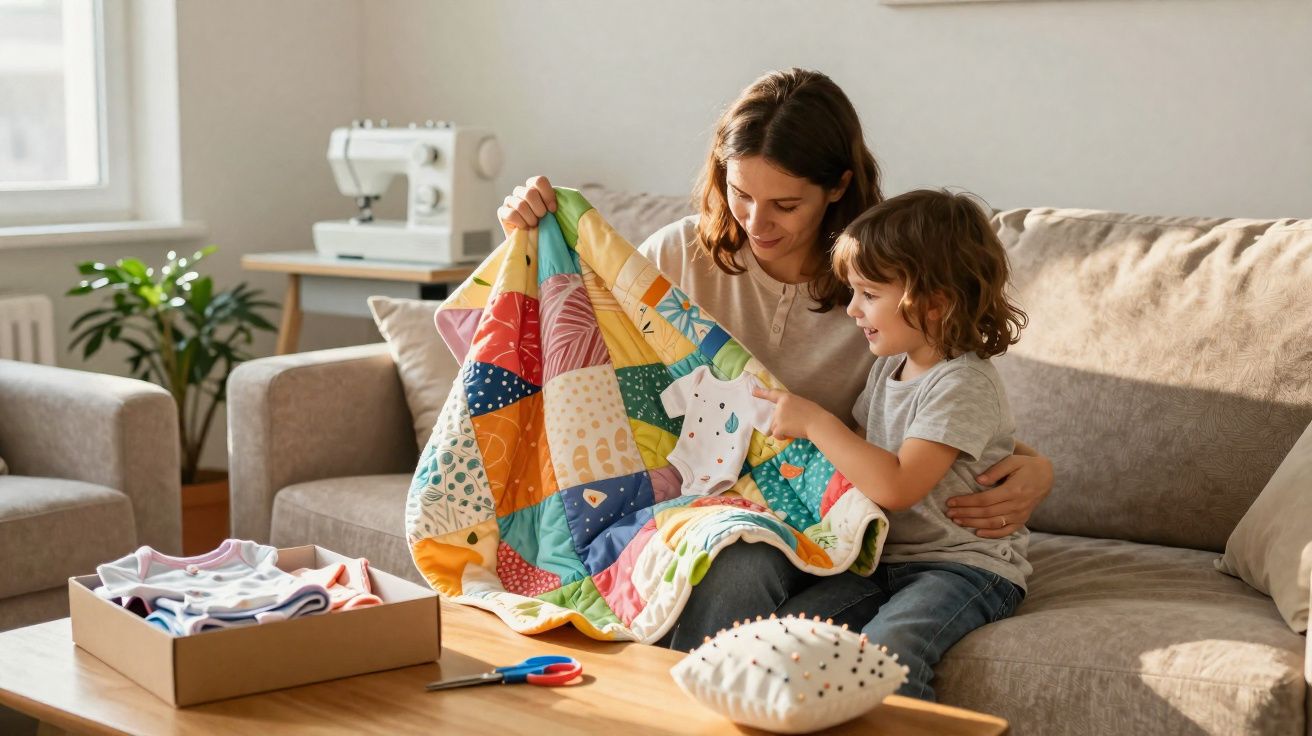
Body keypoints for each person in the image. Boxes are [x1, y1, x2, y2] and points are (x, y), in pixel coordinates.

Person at [496, 68, 1053, 653]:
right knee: (708, 556)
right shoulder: (675, 260)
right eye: (740, 194)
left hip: (807, 509)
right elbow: (570, 337)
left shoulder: (885, 288)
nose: (756, 223)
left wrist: (1040, 470)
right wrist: (527, 238)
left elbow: (938, 414)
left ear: (837, 188)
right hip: (689, 493)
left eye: (785, 204)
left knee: (742, 564)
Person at [754, 188, 1030, 701]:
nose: (853, 309)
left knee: (891, 653)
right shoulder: (889, 367)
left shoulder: (962, 382)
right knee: (785, 635)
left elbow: (898, 484)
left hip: (962, 567)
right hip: (884, 560)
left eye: (869, 294)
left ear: (934, 302)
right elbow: (863, 452)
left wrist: (816, 422)